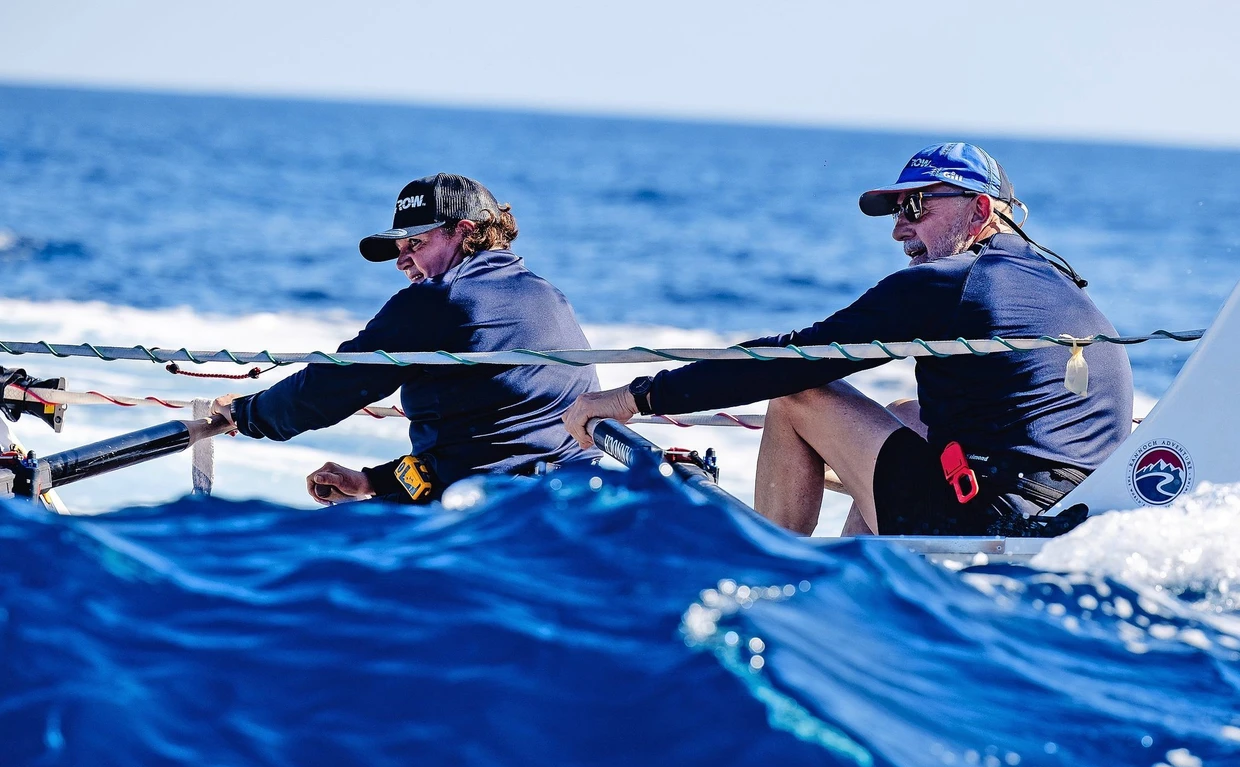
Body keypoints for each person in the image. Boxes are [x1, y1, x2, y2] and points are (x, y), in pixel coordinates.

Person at [563, 143, 1134, 537]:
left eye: (916, 206)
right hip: (1066, 514)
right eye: (895, 212)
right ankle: (857, 552)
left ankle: (770, 563)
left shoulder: (953, 283)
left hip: (986, 520)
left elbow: (789, 359)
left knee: (799, 393)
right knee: (907, 413)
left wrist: (636, 397)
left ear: (980, 210)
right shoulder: (1061, 287)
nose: (898, 227)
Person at [214, 173, 601, 505]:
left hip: (485, 515)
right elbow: (498, 436)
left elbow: (335, 384)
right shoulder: (548, 294)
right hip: (564, 496)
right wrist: (373, 482)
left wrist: (246, 414)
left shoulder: (441, 298)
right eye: (400, 250)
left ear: (463, 232)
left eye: (415, 244)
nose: (401, 262)